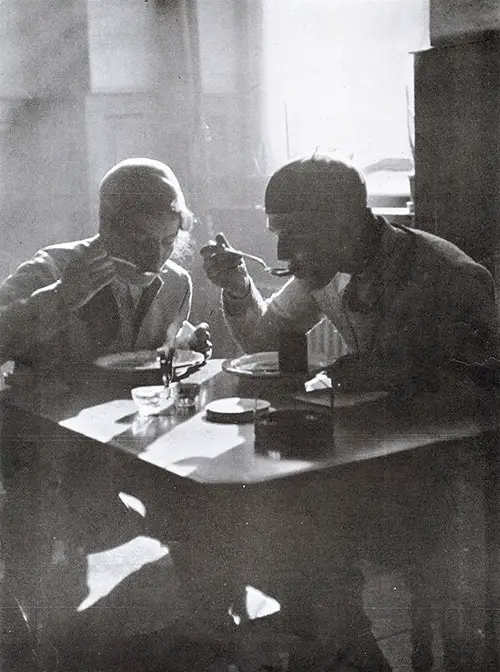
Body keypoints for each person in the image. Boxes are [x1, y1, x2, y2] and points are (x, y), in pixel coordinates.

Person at [200, 153, 500, 671]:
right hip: (385, 459)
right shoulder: (331, 266)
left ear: (340, 224)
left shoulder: (443, 275)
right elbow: (266, 340)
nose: (279, 251)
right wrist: (236, 288)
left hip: (460, 480)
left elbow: (439, 394)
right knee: (281, 543)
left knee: (293, 546)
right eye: (276, 234)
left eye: (291, 235)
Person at [0, 157, 211, 373]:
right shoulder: (51, 268)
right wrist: (60, 297)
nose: (155, 258)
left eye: (168, 241)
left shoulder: (177, 284)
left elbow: (151, 360)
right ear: (106, 228)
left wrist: (184, 347)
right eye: (140, 240)